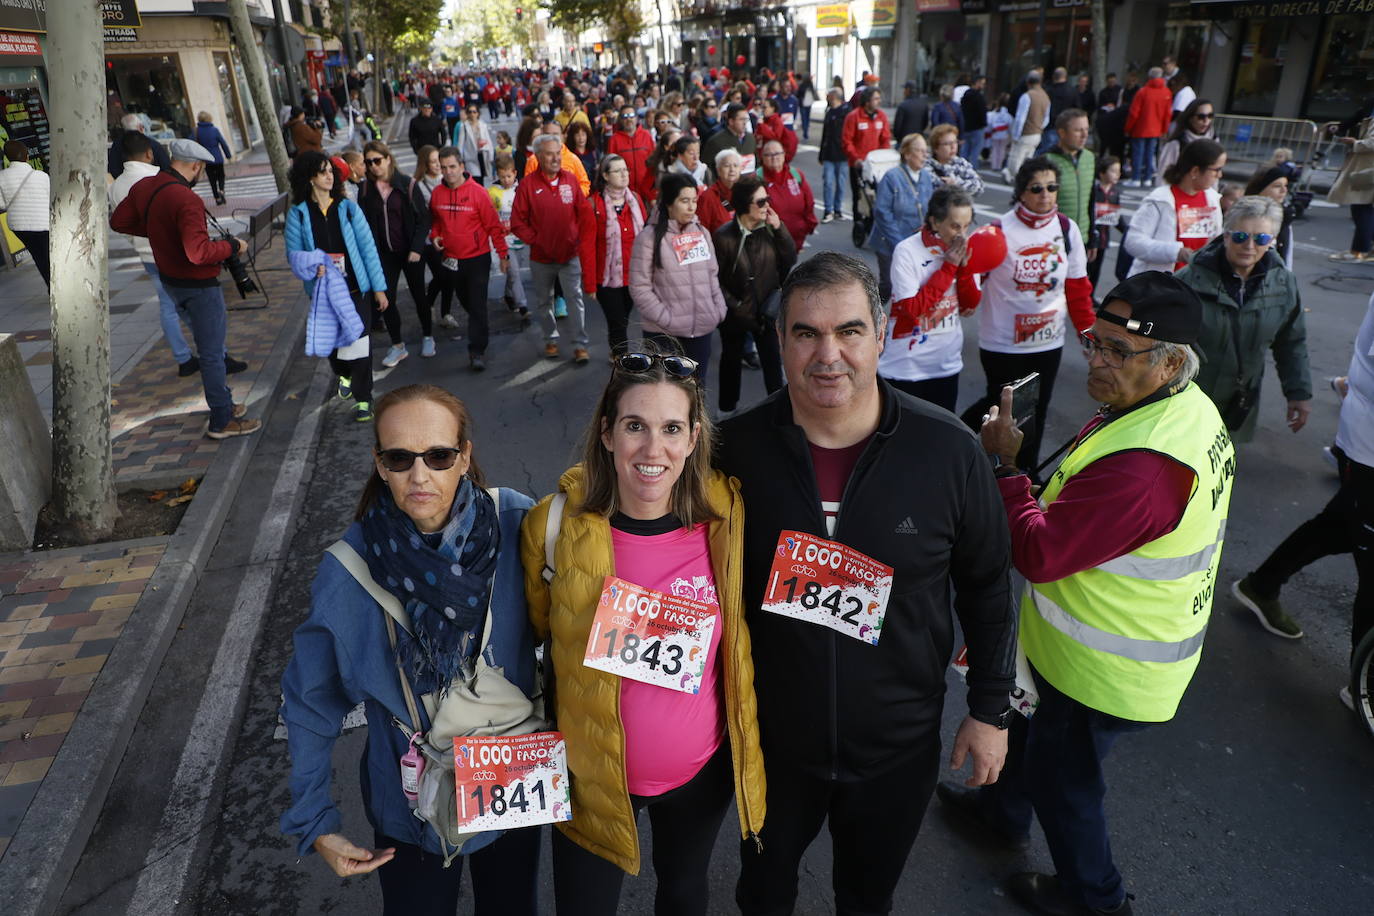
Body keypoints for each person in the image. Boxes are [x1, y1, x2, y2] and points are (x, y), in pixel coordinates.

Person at [717, 252, 1016, 916]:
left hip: (896, 749)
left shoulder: (947, 451)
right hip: (771, 745)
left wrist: (991, 709)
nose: (830, 354)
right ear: (780, 341)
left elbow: (989, 586)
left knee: (866, 899)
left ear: (881, 335)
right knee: (762, 894)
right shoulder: (730, 451)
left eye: (849, 331)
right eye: (806, 333)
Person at [957, 270, 1233, 916]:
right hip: (1077, 647)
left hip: (1107, 667)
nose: (1097, 362)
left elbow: (1039, 552)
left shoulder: (1146, 468)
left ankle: (1094, 898)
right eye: (1095, 341)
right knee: (1030, 732)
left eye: (1117, 352)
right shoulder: (1181, 407)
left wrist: (1005, 467)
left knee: (1065, 782)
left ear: (1169, 362)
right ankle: (1000, 811)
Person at [520, 343, 765, 916]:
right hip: (590, 777)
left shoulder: (726, 519)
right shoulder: (551, 527)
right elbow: (535, 631)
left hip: (701, 772)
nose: (653, 449)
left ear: (693, 437)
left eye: (671, 428)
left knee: (683, 893)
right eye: (635, 426)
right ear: (607, 434)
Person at [281, 384, 543, 914]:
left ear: (464, 457)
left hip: (515, 779)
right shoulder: (347, 573)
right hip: (411, 808)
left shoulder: (517, 522)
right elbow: (310, 700)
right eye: (400, 458)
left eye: (439, 456)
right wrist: (315, 823)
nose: (419, 476)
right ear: (380, 464)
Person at [1231, 289, 1374, 691]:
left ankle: (1260, 585)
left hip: (1364, 448)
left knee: (1342, 524)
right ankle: (1365, 685)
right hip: (1369, 452)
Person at [110, 138, 260, 439]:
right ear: (196, 166)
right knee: (213, 354)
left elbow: (118, 221)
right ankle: (221, 419)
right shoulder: (187, 199)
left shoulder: (146, 186)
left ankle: (225, 404)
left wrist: (157, 231)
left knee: (209, 351)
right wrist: (232, 245)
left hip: (171, 281)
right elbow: (199, 253)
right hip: (199, 285)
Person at [960, 157, 1094, 476]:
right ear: (1021, 192)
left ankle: (1026, 475)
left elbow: (1077, 287)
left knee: (1036, 412)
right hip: (1003, 343)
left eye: (1051, 187)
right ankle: (959, 442)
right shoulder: (998, 231)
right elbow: (970, 291)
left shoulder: (1066, 228)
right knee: (1000, 408)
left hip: (1047, 342)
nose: (1045, 194)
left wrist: (1088, 332)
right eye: (1036, 188)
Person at [1175, 194, 1311, 445]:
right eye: (1240, 236)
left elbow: (1291, 342)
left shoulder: (1284, 284)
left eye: (1260, 238)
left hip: (1237, 402)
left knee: (1217, 468)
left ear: (1271, 241)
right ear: (1225, 235)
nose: (1249, 246)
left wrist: (1298, 392)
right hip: (1182, 401)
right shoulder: (1188, 281)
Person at [284, 150, 388, 422]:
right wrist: (311, 266)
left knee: (359, 342)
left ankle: (364, 398)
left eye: (331, 171)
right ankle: (344, 372)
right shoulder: (299, 215)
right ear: (309, 178)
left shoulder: (349, 209)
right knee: (334, 348)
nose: (330, 176)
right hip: (324, 293)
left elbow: (368, 249)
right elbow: (294, 254)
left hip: (356, 288)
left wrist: (378, 288)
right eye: (323, 171)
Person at [880, 186, 982, 411]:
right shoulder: (907, 251)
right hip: (905, 368)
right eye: (955, 226)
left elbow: (970, 305)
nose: (962, 235)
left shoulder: (963, 248)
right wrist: (949, 267)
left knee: (942, 441)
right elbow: (912, 308)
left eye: (966, 226)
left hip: (946, 365)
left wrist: (963, 269)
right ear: (935, 223)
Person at [108, 132, 201, 376]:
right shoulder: (157, 178)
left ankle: (188, 355)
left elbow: (121, 223)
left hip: (145, 253)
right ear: (149, 153)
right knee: (188, 304)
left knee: (170, 304)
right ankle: (204, 353)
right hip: (171, 252)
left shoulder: (115, 186)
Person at [628, 172, 727, 383]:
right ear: (669, 204)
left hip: (701, 330)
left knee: (696, 390)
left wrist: (717, 310)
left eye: (694, 201)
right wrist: (667, 319)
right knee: (666, 394)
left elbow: (712, 276)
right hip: (663, 334)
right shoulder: (648, 238)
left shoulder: (702, 233)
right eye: (684, 201)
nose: (692, 207)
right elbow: (639, 287)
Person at [511, 132, 594, 364]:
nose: (556, 158)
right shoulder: (528, 185)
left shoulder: (570, 180)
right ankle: (551, 340)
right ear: (538, 157)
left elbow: (583, 214)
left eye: (558, 154)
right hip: (541, 258)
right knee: (544, 301)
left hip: (569, 255)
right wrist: (536, 240)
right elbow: (517, 222)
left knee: (575, 298)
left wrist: (578, 239)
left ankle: (580, 344)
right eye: (550, 154)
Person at [712, 174, 792, 413]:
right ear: (744, 205)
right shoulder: (723, 236)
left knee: (772, 365)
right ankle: (726, 412)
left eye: (767, 199)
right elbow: (714, 279)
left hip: (767, 312)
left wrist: (780, 230)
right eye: (760, 201)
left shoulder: (768, 230)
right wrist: (736, 306)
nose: (767, 205)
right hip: (735, 314)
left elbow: (789, 260)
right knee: (731, 364)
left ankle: (778, 413)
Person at [429, 146, 509, 373]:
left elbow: (494, 227)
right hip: (451, 260)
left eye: (452, 167)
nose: (448, 172)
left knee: (477, 305)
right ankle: (479, 328)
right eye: (444, 168)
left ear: (462, 167)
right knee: (467, 303)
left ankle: (477, 351)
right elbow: (435, 222)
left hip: (477, 258)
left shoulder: (478, 193)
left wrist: (503, 255)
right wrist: (435, 236)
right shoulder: (437, 194)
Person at [359, 141, 435, 360]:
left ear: (388, 159)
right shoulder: (365, 189)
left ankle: (428, 336)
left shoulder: (406, 184)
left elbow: (424, 219)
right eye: (368, 162)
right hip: (384, 254)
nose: (373, 166)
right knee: (386, 298)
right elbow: (363, 223)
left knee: (419, 294)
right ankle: (397, 345)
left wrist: (417, 248)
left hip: (410, 251)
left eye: (377, 160)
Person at [1125, 138, 1225, 276]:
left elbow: (1216, 240)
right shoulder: (1160, 199)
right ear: (1195, 171)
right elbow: (1133, 242)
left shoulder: (1212, 199)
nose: (1220, 175)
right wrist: (1175, 252)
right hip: (1157, 285)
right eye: (1216, 170)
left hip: (1195, 285)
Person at [587, 154, 647, 356]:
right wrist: (589, 283)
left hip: (635, 273)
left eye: (626, 170)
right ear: (605, 175)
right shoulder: (594, 205)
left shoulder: (636, 200)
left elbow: (647, 237)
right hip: (607, 277)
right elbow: (587, 246)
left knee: (624, 318)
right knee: (617, 321)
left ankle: (619, 353)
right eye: (618, 171)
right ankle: (621, 358)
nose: (624, 174)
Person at [868, 132, 936, 304]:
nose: (925, 155)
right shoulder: (892, 177)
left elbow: (930, 207)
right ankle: (872, 313)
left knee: (913, 285)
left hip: (916, 241)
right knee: (889, 285)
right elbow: (882, 212)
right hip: (890, 241)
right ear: (907, 154)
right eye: (920, 151)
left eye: (925, 151)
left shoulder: (926, 177)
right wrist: (899, 244)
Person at [1326, 98, 1374, 263]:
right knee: (1365, 207)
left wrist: (1356, 143)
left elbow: (1372, 142)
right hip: (1368, 167)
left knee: (1361, 207)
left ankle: (1358, 251)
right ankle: (1367, 249)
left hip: (1368, 168)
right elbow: (1358, 115)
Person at [1044, 109, 1096, 254]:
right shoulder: (1047, 159)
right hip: (1054, 240)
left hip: (1082, 238)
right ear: (1062, 133)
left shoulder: (1089, 158)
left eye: (1086, 129)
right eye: (1078, 130)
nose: (1085, 135)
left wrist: (1092, 238)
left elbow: (1091, 201)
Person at [0, 139, 50, 288]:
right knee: (50, 256)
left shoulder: (1, 177)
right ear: (27, 156)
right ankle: (56, 288)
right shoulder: (41, 176)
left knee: (38, 256)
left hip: (19, 226)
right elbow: (50, 200)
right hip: (43, 224)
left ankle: (50, 285)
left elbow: (2, 204)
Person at [489, 154, 531, 320]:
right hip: (504, 239)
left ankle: (508, 294)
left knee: (515, 272)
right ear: (497, 175)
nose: (506, 180)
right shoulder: (492, 192)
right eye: (502, 176)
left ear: (514, 173)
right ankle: (523, 306)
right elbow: (490, 216)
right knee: (514, 272)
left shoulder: (521, 188)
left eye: (509, 176)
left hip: (519, 237)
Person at [842, 87, 893, 222]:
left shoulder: (881, 117)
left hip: (876, 165)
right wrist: (856, 158)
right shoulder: (854, 117)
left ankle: (873, 221)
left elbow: (885, 139)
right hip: (859, 164)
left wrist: (884, 157)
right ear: (867, 101)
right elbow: (847, 141)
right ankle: (857, 221)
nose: (879, 101)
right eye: (876, 99)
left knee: (877, 195)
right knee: (859, 195)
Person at [757, 139, 817, 253]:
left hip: (796, 237)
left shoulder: (796, 174)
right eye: (769, 155)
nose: (774, 157)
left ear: (784, 155)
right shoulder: (757, 178)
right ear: (762, 157)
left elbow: (809, 202)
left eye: (777, 153)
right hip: (769, 240)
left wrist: (808, 225)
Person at [1125, 67, 1173, 187]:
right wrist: (1164, 129)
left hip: (1141, 128)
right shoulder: (1166, 92)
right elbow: (1167, 114)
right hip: (1156, 129)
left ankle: (1135, 178)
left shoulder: (1143, 92)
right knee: (1150, 154)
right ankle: (1147, 177)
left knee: (1138, 153)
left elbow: (1134, 112)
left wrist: (1128, 128)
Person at [1155, 98, 1216, 186]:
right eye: (1201, 117)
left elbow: (1215, 175)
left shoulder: (1214, 140)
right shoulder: (1176, 144)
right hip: (1179, 194)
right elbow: (1163, 176)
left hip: (1204, 196)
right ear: (1190, 118)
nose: (1206, 121)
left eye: (1210, 116)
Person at [522, 120, 592, 196]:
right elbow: (527, 188)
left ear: (563, 136)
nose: (551, 138)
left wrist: (572, 196)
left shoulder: (573, 159)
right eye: (547, 135)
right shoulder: (534, 160)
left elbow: (584, 184)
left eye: (555, 135)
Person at [1245, 166, 1296, 269]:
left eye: (1285, 185)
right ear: (1260, 189)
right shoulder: (1244, 217)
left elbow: (1287, 256)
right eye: (1277, 186)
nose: (1283, 190)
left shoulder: (1285, 217)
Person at [1087, 155, 1124, 291]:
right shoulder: (1094, 191)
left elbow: (1116, 217)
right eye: (1113, 171)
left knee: (1097, 269)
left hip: (1104, 237)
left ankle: (1092, 294)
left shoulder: (1115, 193)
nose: (1117, 174)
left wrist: (1127, 232)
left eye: (1118, 171)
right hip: (1091, 236)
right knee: (1087, 268)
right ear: (1102, 173)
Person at [1005, 71, 1049, 181]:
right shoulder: (1046, 97)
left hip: (1025, 133)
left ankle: (1018, 179)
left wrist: (1015, 135)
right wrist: (1039, 127)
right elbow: (1046, 119)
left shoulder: (1027, 96)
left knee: (1016, 159)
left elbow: (1020, 118)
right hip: (1037, 133)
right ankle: (1025, 179)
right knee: (1028, 159)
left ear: (1028, 82)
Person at [607, 105, 656, 197]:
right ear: (621, 120)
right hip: (624, 191)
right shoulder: (614, 139)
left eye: (631, 115)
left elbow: (653, 163)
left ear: (636, 118)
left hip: (646, 190)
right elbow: (611, 166)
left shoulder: (646, 135)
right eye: (625, 117)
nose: (628, 119)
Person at [107, 112, 171, 179]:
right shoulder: (152, 144)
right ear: (140, 127)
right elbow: (166, 167)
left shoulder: (117, 145)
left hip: (125, 182)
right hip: (151, 183)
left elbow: (113, 169)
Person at [818, 88, 850, 224]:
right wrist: (821, 154)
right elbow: (825, 135)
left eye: (829, 96)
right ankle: (828, 210)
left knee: (841, 184)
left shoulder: (846, 112)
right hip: (829, 154)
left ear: (834, 97)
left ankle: (837, 209)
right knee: (828, 183)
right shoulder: (829, 112)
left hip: (842, 154)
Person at [928, 122, 985, 196]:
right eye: (947, 144)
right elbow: (934, 187)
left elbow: (979, 186)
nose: (953, 147)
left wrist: (956, 183)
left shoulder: (961, 163)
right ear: (936, 148)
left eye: (955, 142)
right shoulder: (927, 165)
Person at [702, 103, 758, 177]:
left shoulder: (751, 138)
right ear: (731, 121)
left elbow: (756, 162)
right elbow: (707, 168)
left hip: (748, 183)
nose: (745, 123)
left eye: (746, 119)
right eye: (741, 119)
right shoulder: (716, 141)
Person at [697, 148, 741, 233]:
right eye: (727, 166)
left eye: (735, 165)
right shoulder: (707, 197)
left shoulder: (746, 193)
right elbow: (702, 230)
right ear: (718, 170)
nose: (732, 169)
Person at [193, 111, 232, 206]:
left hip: (206, 159)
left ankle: (217, 198)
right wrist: (228, 155)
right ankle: (222, 190)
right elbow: (223, 143)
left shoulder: (197, 131)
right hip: (217, 158)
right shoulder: (214, 130)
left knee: (212, 179)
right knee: (221, 176)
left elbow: (193, 143)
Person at [453, 104, 494, 185]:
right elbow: (460, 144)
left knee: (482, 178)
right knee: (475, 178)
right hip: (470, 157)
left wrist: (491, 155)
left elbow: (488, 140)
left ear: (478, 113)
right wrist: (460, 158)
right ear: (467, 114)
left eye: (474, 112)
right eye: (470, 112)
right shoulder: (464, 126)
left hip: (482, 155)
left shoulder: (483, 125)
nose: (472, 114)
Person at [1042, 68, 1077, 154]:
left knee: (1047, 151)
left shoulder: (1048, 90)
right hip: (1067, 126)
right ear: (1065, 76)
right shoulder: (1072, 91)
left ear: (1054, 77)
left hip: (1050, 125)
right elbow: (1077, 109)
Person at [754, 97, 797, 165]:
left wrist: (762, 126)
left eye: (765, 107)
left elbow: (776, 137)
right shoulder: (764, 120)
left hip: (772, 157)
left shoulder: (777, 121)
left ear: (772, 108)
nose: (762, 110)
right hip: (762, 155)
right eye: (762, 107)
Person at [961, 75, 989, 167]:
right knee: (975, 152)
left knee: (965, 150)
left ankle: (961, 167)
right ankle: (972, 169)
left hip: (966, 126)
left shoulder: (966, 95)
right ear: (977, 83)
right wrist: (984, 123)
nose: (983, 86)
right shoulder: (979, 97)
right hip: (977, 127)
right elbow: (982, 112)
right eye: (982, 83)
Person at [892, 80, 928, 146]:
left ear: (908, 90)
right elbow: (925, 123)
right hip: (918, 139)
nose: (904, 92)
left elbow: (897, 126)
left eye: (905, 89)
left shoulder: (903, 105)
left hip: (904, 140)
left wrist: (897, 137)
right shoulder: (923, 104)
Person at [986, 94, 1013, 173]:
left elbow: (990, 122)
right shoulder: (1008, 114)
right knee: (1002, 150)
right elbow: (1010, 124)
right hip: (1004, 133)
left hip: (995, 132)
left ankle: (994, 165)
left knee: (995, 149)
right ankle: (999, 165)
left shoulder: (995, 112)